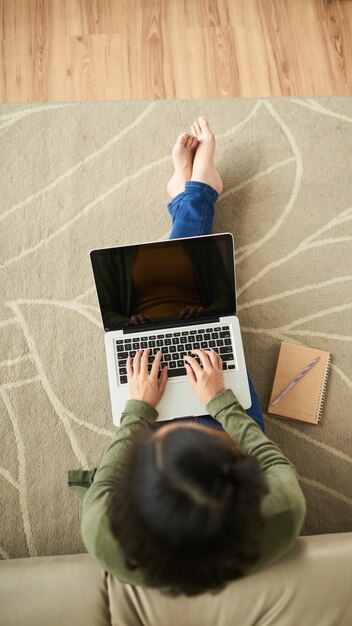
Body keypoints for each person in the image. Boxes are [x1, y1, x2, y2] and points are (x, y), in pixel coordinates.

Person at [71, 117, 306, 597]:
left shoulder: (104, 533)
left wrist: (139, 408)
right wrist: (219, 404)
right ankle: (194, 193)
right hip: (222, 407)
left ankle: (195, 194)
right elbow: (269, 458)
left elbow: (105, 484)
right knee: (183, 313)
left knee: (159, 309)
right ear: (239, 476)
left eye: (162, 437)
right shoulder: (281, 512)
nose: (179, 419)